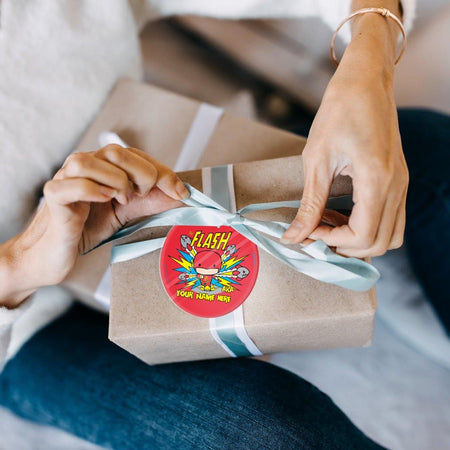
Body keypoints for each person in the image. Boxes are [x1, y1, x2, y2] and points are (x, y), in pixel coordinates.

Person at [4, 0, 446, 448]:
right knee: (265, 430)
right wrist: (17, 265)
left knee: (431, 152)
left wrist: (368, 69)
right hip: (30, 326)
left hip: (171, 178)